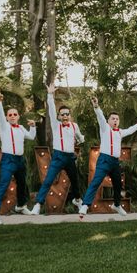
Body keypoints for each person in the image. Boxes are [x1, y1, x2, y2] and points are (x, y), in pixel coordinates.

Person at [78, 96, 137, 217]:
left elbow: (130, 130)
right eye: (113, 119)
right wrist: (96, 106)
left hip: (114, 162)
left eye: (117, 119)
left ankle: (117, 205)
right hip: (104, 160)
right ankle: (85, 205)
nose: (115, 121)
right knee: (96, 181)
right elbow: (100, 117)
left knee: (118, 184)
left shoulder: (120, 132)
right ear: (108, 121)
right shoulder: (105, 128)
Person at [31, 82, 85, 215]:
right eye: (62, 114)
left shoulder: (74, 126)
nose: (65, 116)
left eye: (67, 114)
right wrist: (50, 94)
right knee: (48, 180)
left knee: (75, 181)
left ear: (70, 115)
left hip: (70, 157)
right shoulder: (56, 125)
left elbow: (80, 137)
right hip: (58, 157)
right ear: (59, 116)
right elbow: (50, 109)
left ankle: (77, 200)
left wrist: (81, 139)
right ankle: (38, 204)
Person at [0, 93, 37, 225]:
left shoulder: (21, 128)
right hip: (8, 159)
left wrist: (33, 127)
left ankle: (21, 206)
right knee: (3, 183)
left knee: (22, 184)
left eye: (14, 114)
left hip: (20, 160)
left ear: (18, 116)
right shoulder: (4, 127)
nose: (12, 116)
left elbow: (31, 137)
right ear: (7, 117)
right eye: (10, 115)